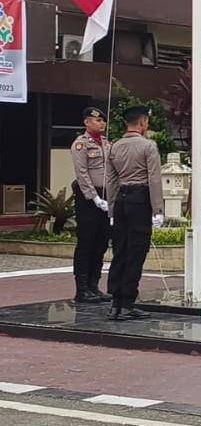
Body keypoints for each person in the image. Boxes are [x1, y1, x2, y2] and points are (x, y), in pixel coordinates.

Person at [105, 105, 164, 321]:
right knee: (136, 251)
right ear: (142, 122)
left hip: (120, 199)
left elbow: (111, 180)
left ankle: (115, 303)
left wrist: (111, 208)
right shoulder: (148, 146)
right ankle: (128, 303)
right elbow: (154, 179)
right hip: (140, 200)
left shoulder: (114, 147)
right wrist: (158, 209)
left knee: (120, 250)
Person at [70, 106, 112, 303]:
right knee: (86, 242)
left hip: (106, 196)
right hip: (88, 198)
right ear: (87, 122)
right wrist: (94, 197)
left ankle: (94, 285)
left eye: (103, 120)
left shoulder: (106, 143)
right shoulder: (81, 144)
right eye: (97, 120)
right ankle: (82, 288)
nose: (102, 123)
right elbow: (82, 173)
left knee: (101, 242)